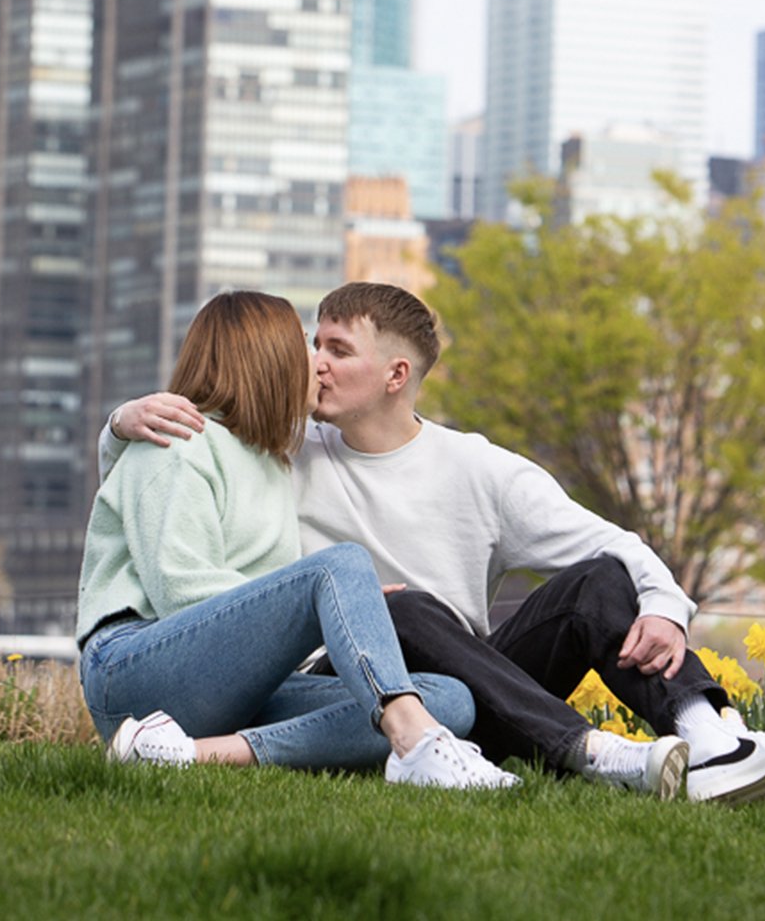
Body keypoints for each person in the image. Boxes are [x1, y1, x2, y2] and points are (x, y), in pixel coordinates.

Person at [107, 281, 765, 803]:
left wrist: (663, 606)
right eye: (313, 345)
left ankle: (708, 737)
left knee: (597, 580)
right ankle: (592, 753)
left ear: (397, 374)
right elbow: (177, 463)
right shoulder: (286, 451)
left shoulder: (478, 467)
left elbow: (615, 542)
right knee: (395, 604)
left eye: (336, 349)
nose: (314, 363)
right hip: (355, 680)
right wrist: (120, 421)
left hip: (471, 688)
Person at [77, 288, 515, 789]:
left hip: (234, 687)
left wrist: (343, 607)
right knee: (341, 565)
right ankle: (415, 746)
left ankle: (190, 754)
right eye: (307, 347)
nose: (318, 363)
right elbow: (180, 594)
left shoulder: (275, 458)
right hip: (132, 672)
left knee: (447, 700)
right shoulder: (173, 442)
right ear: (268, 360)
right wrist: (310, 609)